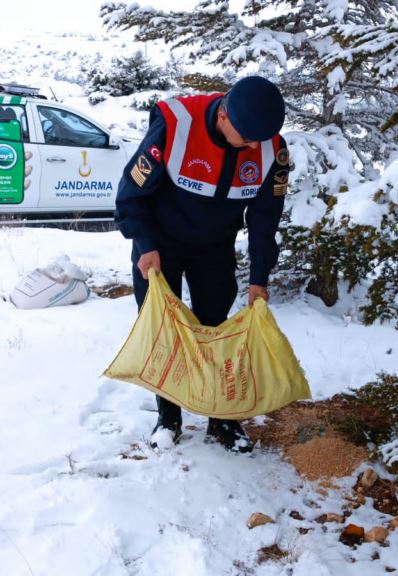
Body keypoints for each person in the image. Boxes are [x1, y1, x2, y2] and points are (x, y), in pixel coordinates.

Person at [114, 75, 291, 453]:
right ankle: (168, 418)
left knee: (215, 331)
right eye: (246, 137)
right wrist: (144, 245)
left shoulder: (270, 149)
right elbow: (130, 196)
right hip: (159, 246)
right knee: (165, 334)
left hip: (213, 247)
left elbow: (265, 220)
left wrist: (260, 277)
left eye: (261, 139)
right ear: (224, 115)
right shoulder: (175, 127)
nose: (255, 146)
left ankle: (222, 420)